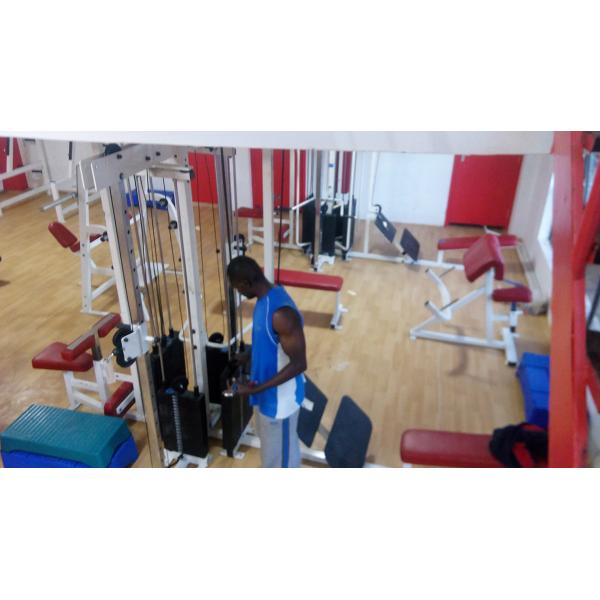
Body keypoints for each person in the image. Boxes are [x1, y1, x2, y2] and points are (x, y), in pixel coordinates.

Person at [227, 256, 307, 468]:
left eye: (237, 288)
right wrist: (250, 355)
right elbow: (272, 344)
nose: (239, 293)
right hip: (265, 398)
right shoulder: (263, 301)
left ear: (246, 284)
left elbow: (299, 364)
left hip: (281, 405)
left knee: (282, 465)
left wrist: (256, 389)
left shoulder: (282, 314)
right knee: (272, 459)